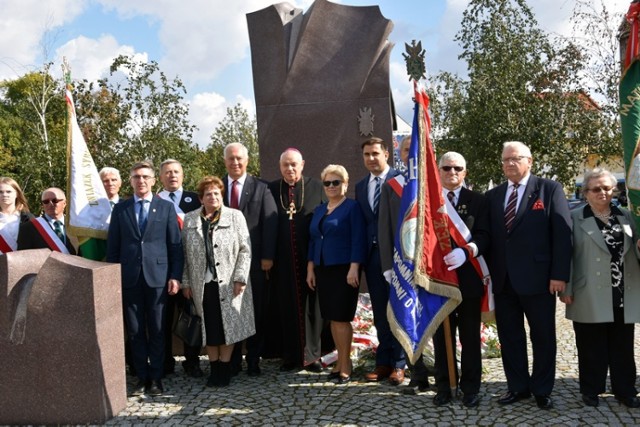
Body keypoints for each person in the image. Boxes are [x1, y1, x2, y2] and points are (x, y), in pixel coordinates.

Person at [485, 141, 572, 410]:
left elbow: (562, 233)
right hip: (503, 280)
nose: (509, 163)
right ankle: (518, 387)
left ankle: (542, 389)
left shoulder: (549, 189)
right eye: (505, 160)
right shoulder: (493, 196)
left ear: (530, 161)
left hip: (539, 279)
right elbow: (490, 238)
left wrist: (559, 274)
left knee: (543, 336)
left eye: (516, 158)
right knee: (510, 337)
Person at [560, 168, 640, 408]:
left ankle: (625, 390)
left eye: (608, 188)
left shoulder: (625, 216)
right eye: (596, 189)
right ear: (586, 192)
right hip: (589, 290)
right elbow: (567, 255)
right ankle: (591, 389)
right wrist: (567, 287)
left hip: (622, 289)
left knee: (623, 345)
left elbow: (634, 249)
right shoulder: (574, 217)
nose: (603, 193)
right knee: (589, 345)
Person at [106, 161, 183, 397]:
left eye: (145, 177)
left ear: (152, 180)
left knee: (158, 329)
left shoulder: (166, 207)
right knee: (136, 330)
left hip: (158, 279)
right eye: (136, 177)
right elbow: (113, 247)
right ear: (130, 181)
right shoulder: (121, 209)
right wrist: (112, 278)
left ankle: (157, 378)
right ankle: (141, 376)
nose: (140, 181)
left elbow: (175, 246)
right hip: (129, 278)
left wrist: (175, 276)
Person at [181, 176, 255, 387]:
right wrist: (186, 282)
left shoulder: (235, 216)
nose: (212, 197)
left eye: (216, 193)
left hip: (229, 283)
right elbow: (185, 254)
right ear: (201, 198)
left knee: (228, 327)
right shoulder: (190, 219)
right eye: (208, 194)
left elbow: (245, 249)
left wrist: (240, 278)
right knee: (210, 328)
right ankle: (214, 367)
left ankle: (224, 368)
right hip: (201, 284)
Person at [432, 152, 491, 408]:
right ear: (439, 170)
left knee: (469, 337)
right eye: (446, 168)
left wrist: (467, 251)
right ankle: (444, 385)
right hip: (439, 281)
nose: (452, 172)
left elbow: (485, 235)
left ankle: (470, 388)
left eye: (457, 168)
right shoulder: (429, 201)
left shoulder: (478, 201)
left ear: (464, 172)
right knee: (440, 337)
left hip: (469, 278)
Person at [378, 136, 432, 394]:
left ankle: (443, 373)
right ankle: (417, 373)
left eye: (415, 148)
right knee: (411, 319)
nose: (411, 153)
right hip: (404, 266)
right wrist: (389, 265)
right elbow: (385, 227)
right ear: (399, 154)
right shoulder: (393, 185)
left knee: (436, 317)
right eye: (407, 149)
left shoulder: (436, 179)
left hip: (433, 267)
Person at [269, 148, 328, 372]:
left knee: (313, 308)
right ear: (280, 166)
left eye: (294, 164)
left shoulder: (317, 187)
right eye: (285, 165)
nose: (290, 169)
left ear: (302, 164)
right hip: (282, 261)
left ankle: (312, 356)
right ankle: (290, 355)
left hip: (310, 258)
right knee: (286, 307)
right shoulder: (272, 189)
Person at [307, 164, 366, 383]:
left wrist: (354, 267)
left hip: (344, 269)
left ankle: (345, 365)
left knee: (342, 318)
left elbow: (358, 238)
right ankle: (340, 362)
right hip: (323, 269)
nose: (331, 186)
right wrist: (310, 269)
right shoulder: (321, 209)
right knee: (332, 318)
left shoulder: (352, 207)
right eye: (327, 183)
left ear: (345, 184)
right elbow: (314, 239)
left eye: (336, 182)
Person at [223, 142, 278, 376]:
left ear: (247, 161)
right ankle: (232, 360)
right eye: (231, 159)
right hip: (224, 264)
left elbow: (270, 222)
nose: (235, 162)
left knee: (256, 311)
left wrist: (267, 256)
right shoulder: (216, 188)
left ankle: (254, 359)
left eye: (239, 158)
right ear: (225, 161)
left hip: (255, 262)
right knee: (231, 311)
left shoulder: (261, 187)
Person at [355, 136, 406, 385]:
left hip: (398, 257)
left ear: (387, 153)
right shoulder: (360, 186)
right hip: (373, 258)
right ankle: (383, 363)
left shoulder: (401, 182)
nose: (371, 158)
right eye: (367, 155)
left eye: (376, 153)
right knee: (379, 313)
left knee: (398, 310)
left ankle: (400, 364)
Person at [157, 159, 203, 378]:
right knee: (163, 319)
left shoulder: (195, 199)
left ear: (183, 175)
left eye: (176, 172)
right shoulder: (155, 201)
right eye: (167, 173)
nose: (172, 175)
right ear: (160, 177)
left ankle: (192, 361)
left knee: (191, 315)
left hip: (192, 268)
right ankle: (165, 362)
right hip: (163, 270)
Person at [17, 187, 77, 255]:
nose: (50, 204)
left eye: (55, 200)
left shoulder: (77, 226)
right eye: (46, 202)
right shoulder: (28, 228)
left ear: (64, 203)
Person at [0, 177, 34, 252]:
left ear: (17, 194)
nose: (4, 195)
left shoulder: (28, 219)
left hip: (22, 262)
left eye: (8, 191)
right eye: (0, 192)